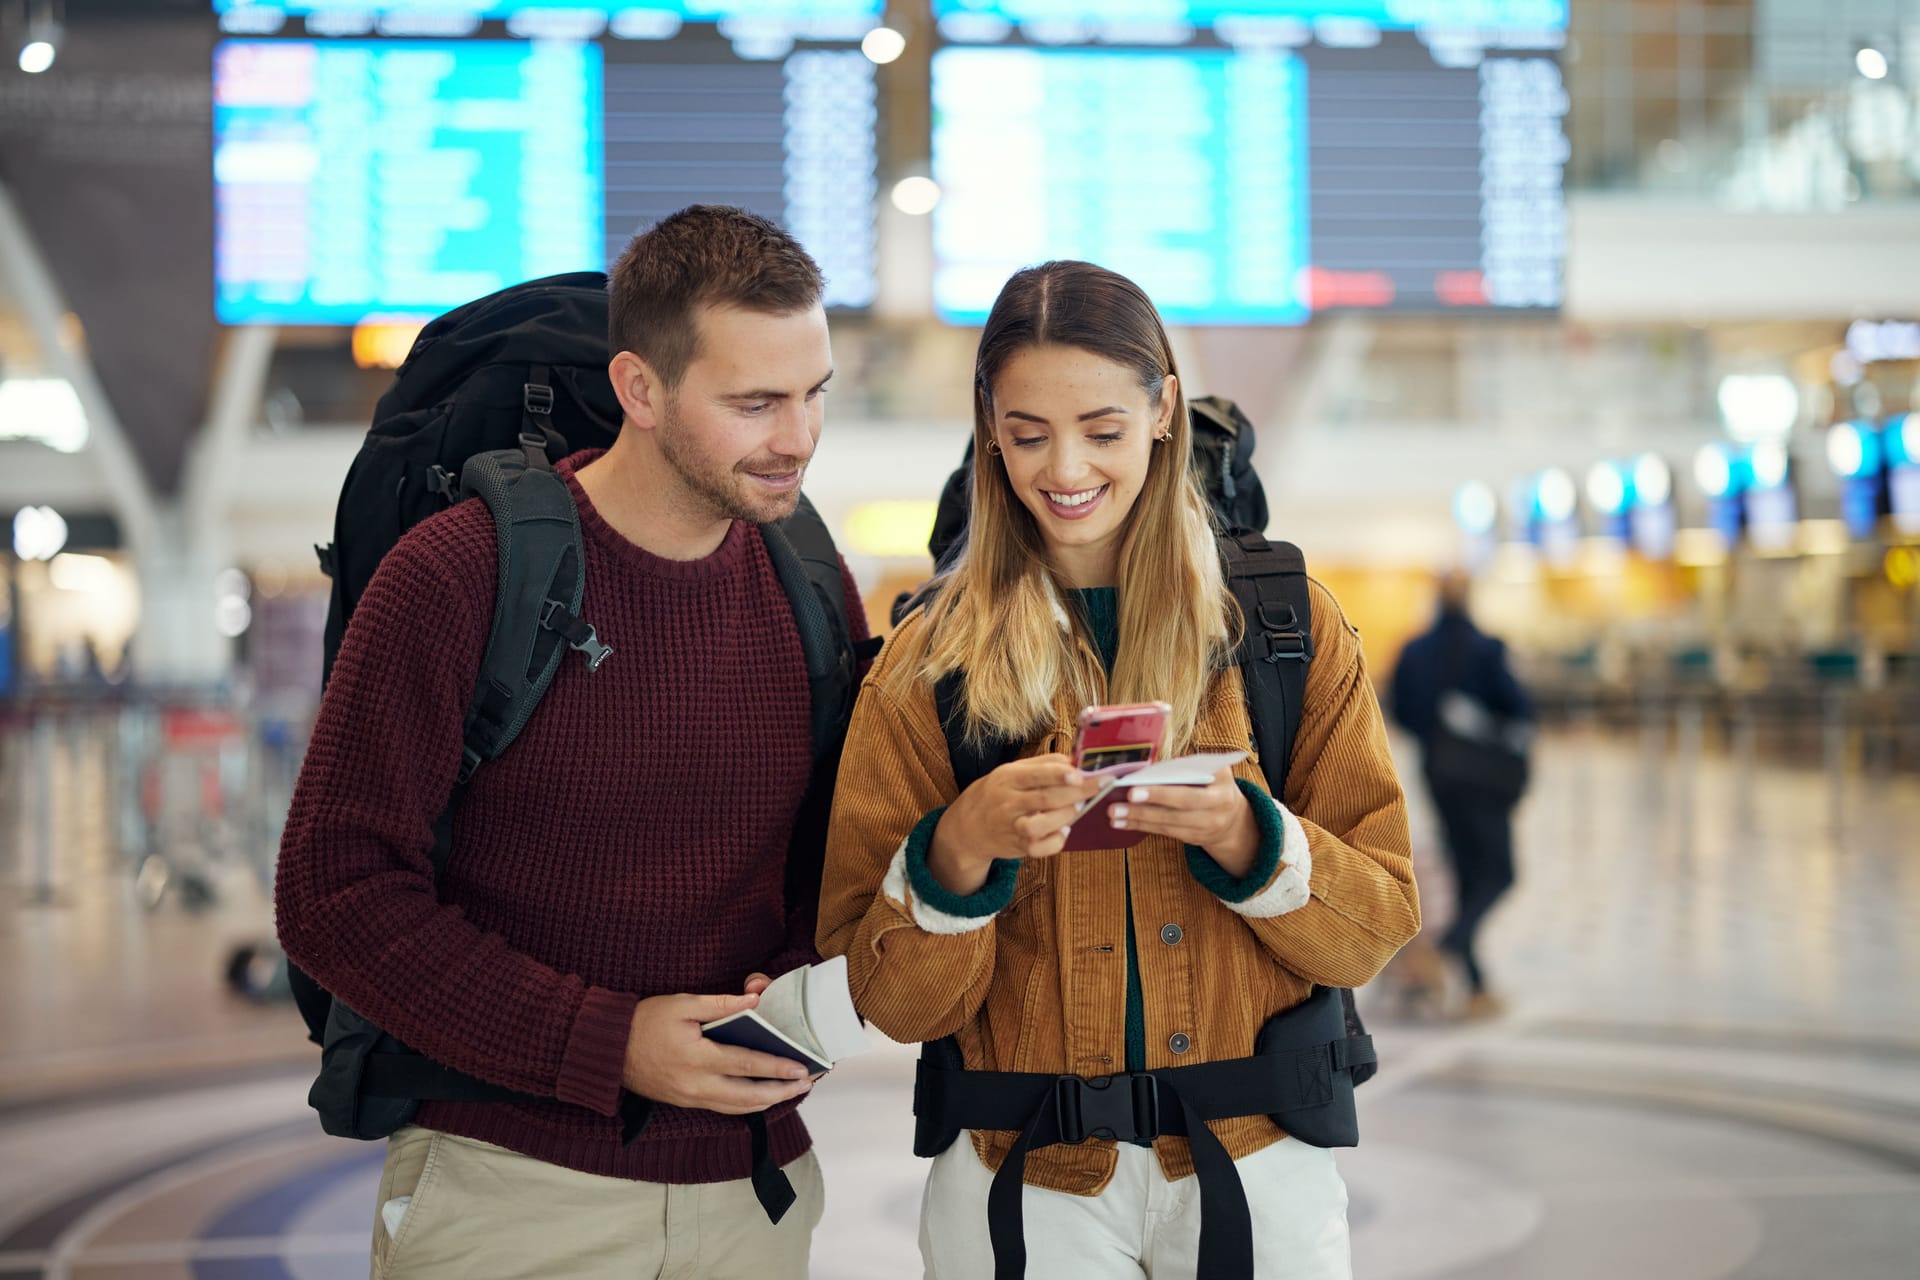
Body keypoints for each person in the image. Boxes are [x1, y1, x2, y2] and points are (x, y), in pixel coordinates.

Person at [275, 206, 868, 1279]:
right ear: (640, 389)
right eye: (755, 402)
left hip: (753, 1195)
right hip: (509, 1194)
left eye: (815, 390)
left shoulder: (811, 584)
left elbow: (818, 867)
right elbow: (333, 888)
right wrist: (608, 1041)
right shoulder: (458, 576)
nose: (798, 436)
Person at [817, 260, 1419, 1279]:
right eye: (1027, 432)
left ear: (1164, 410)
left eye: (1102, 428)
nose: (1065, 469)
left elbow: (1380, 920)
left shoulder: (1282, 625)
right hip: (1019, 1178)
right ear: (988, 424)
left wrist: (1252, 840)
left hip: (1255, 1165)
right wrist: (954, 857)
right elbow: (892, 1001)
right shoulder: (928, 663)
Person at [1388, 569, 1532, 1018]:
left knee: (1467, 873)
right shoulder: (1488, 650)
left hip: (1439, 773)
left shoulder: (1413, 651)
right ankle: (1447, 948)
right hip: (1483, 778)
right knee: (1499, 874)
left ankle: (1475, 987)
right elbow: (1520, 711)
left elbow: (1399, 707)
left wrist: (1435, 738)